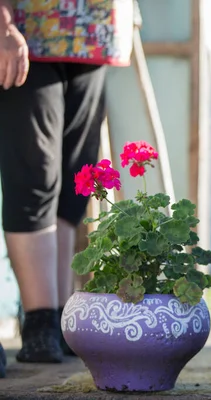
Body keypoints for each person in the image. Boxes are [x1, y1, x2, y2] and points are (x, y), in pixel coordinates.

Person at [0, 0, 133, 363]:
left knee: (77, 179)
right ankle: (39, 320)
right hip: (28, 32)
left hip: (93, 33)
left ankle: (60, 319)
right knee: (35, 174)